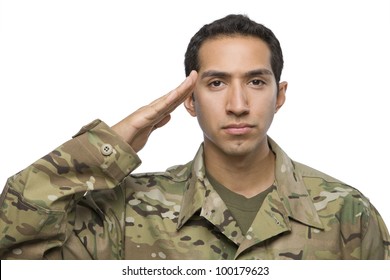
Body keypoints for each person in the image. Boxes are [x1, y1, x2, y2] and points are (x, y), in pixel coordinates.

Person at [0, 14, 389, 260]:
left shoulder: (344, 212)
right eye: (216, 83)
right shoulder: (125, 210)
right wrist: (106, 147)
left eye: (256, 81)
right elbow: (13, 247)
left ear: (279, 95)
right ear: (190, 100)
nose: (238, 104)